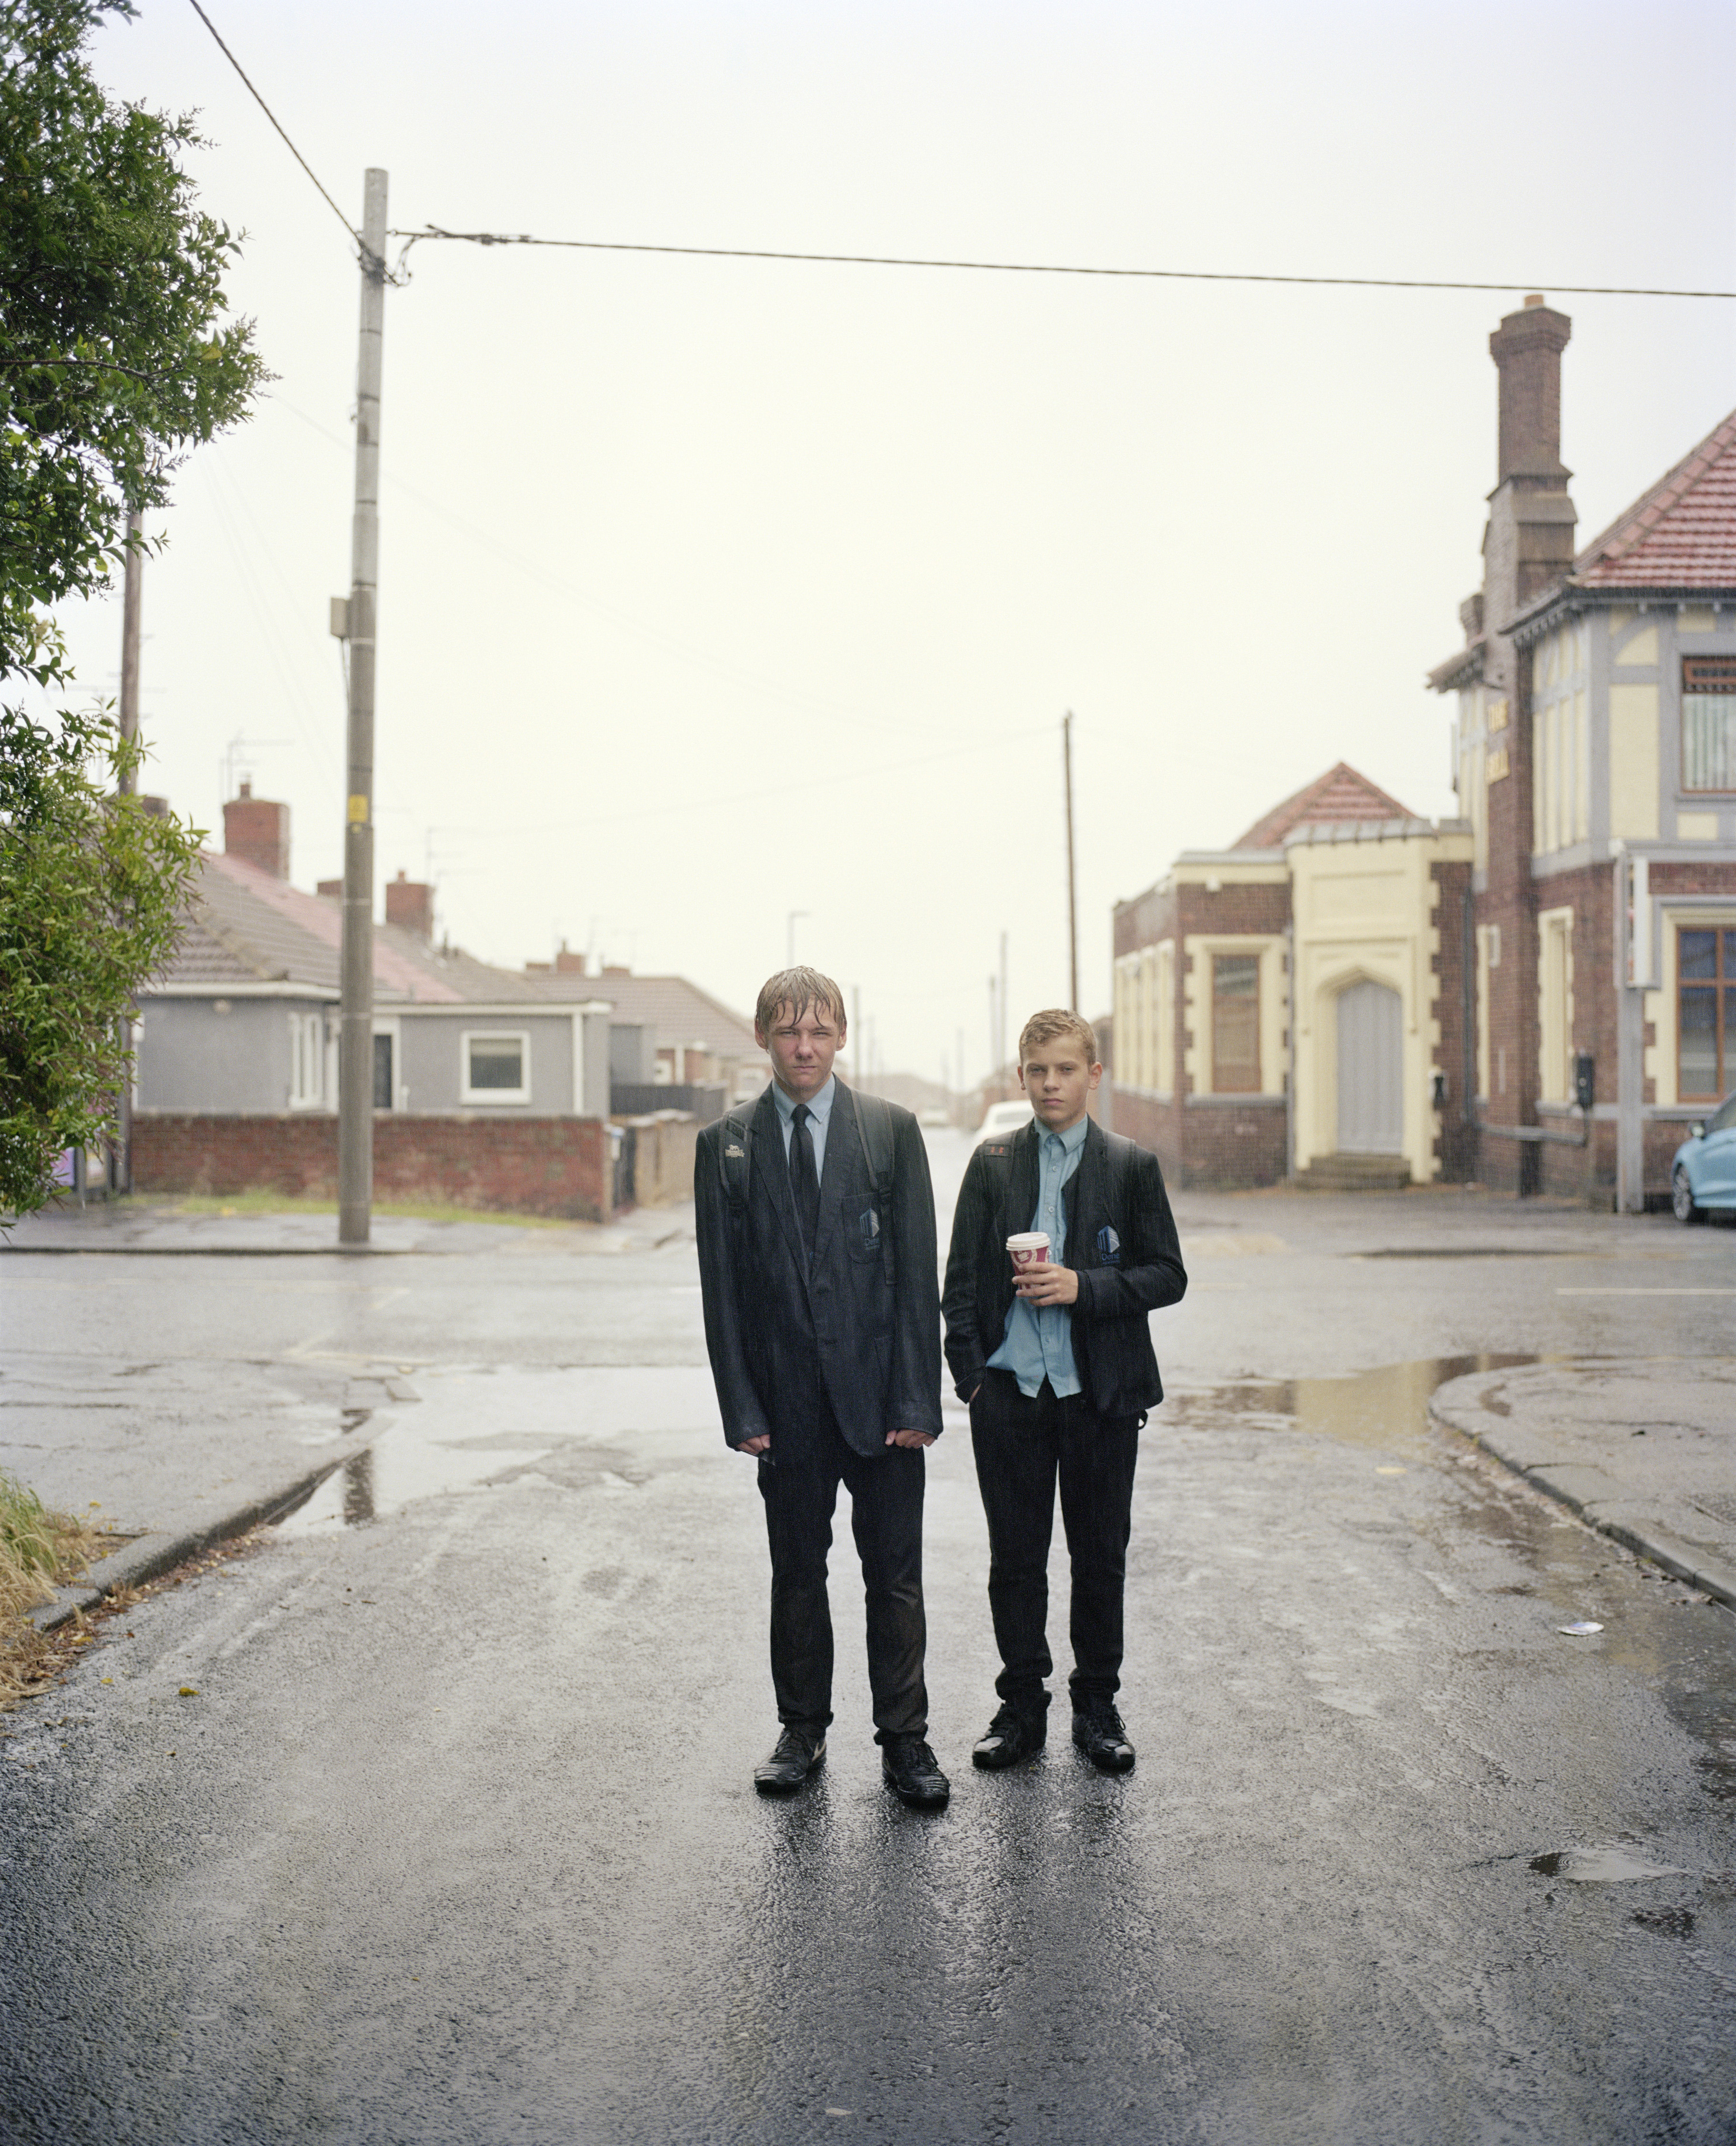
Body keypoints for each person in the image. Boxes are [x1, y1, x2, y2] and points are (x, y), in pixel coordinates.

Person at [694, 966, 950, 1809]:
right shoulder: (725, 1146)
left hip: (882, 1408)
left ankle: (906, 1742)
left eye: (819, 1030)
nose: (804, 1047)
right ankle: (801, 1732)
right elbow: (723, 1293)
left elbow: (918, 1279)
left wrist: (919, 1403)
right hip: (788, 1410)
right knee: (797, 1575)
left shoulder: (890, 1132)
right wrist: (745, 1410)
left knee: (895, 1579)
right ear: (763, 1037)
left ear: (843, 1035)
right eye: (787, 1031)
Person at [942, 1009, 1187, 1775]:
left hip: (1100, 1397)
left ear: (1093, 1075)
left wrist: (1085, 1285)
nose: (1052, 1083)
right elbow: (957, 1285)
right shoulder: (992, 1164)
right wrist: (973, 1380)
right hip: (1011, 1393)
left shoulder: (1129, 1166)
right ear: (1022, 1076)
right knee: (1015, 1560)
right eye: (1038, 1070)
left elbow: (1168, 1276)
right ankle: (1020, 1709)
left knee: (1099, 1556)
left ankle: (1097, 1706)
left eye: (1066, 1069)